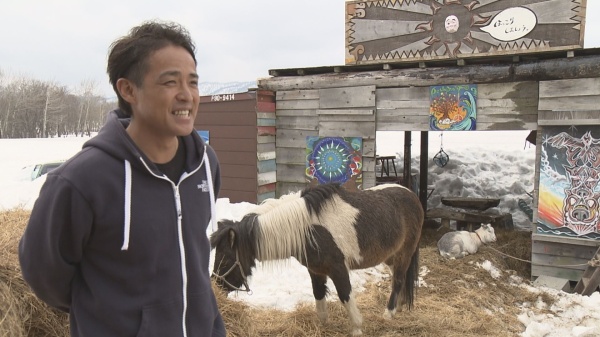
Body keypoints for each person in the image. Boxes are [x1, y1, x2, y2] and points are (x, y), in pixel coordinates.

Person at [19, 20, 226, 337]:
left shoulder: (204, 165)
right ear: (128, 89)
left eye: (193, 82)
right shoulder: (79, 181)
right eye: (170, 82)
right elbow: (46, 277)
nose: (187, 95)